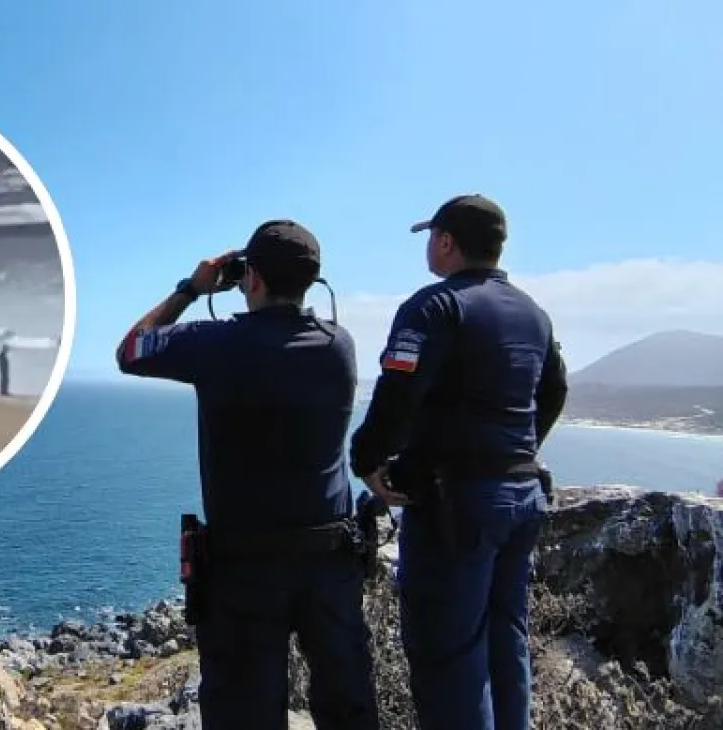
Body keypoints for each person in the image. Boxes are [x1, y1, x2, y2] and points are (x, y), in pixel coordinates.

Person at [115, 220, 379, 730]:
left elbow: (131, 350)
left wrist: (191, 289)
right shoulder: (338, 345)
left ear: (250, 278)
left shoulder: (216, 344)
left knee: (242, 715)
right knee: (349, 710)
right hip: (329, 564)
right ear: (311, 282)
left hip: (244, 570)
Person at [349, 195, 568, 730]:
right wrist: (517, 450)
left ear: (446, 242)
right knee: (504, 643)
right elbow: (556, 390)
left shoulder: (433, 306)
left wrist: (368, 459)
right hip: (520, 499)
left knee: (448, 656)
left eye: (432, 236)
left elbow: (398, 391)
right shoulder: (532, 312)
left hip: (458, 507)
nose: (429, 245)